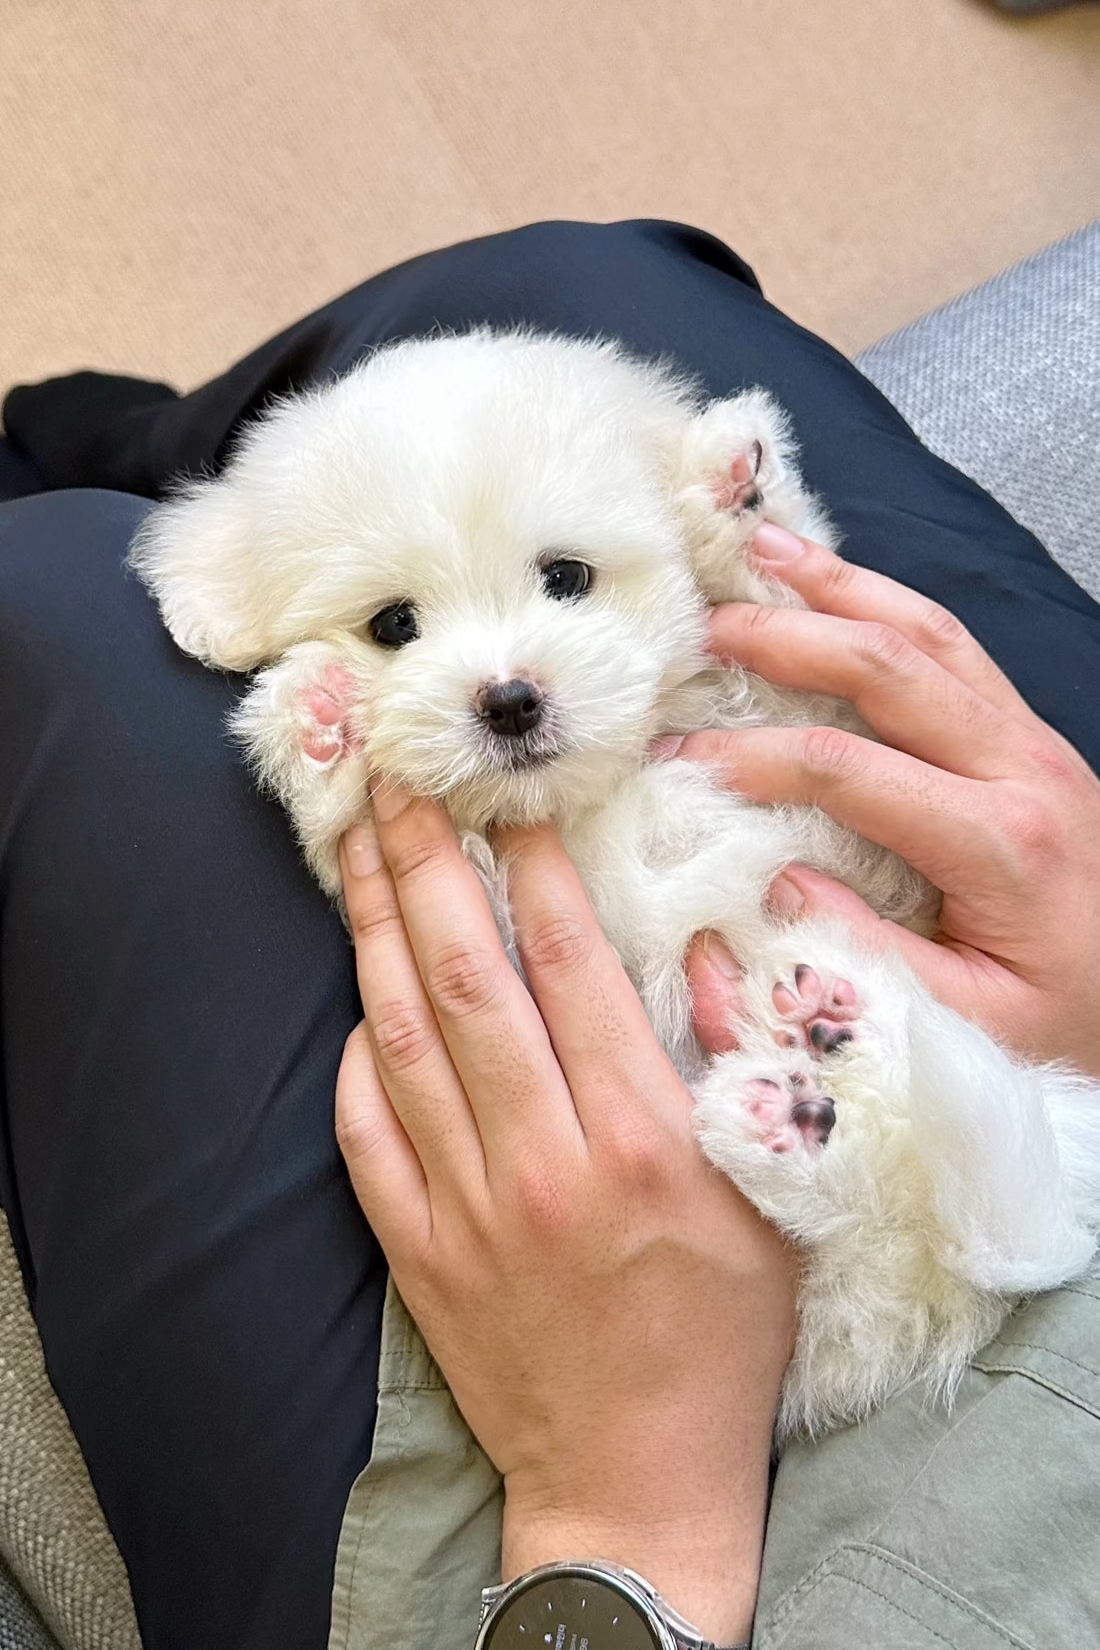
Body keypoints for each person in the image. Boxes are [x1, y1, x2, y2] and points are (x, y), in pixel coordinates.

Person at [1, 219, 1098, 1650]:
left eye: (564, 586)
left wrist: (631, 1529)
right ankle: (98, 431)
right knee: (580, 282)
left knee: (50, 603)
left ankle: (65, 440)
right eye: (399, 620)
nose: (507, 679)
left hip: (719, 1498)